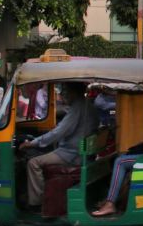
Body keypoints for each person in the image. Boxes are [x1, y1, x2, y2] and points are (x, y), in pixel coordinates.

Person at [19, 82, 99, 211]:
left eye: (65, 91)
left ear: (74, 92)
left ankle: (36, 203)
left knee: (33, 163)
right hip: (81, 153)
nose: (62, 94)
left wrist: (33, 143)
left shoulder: (78, 107)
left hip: (71, 155)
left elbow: (60, 131)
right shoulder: (87, 105)